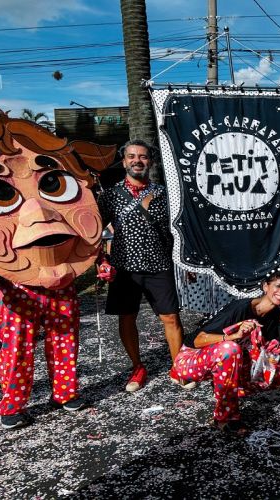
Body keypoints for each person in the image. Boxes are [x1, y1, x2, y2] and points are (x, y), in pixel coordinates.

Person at [0, 116, 116, 429]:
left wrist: (101, 262)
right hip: (16, 291)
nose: (39, 212)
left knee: (66, 342)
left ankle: (66, 392)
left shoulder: (74, 204)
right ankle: (13, 404)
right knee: (16, 351)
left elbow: (87, 236)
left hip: (63, 289)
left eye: (53, 183)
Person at [97, 139, 187, 392]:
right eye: (132, 156)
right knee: (127, 317)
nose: (137, 160)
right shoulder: (111, 196)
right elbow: (94, 229)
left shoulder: (163, 193)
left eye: (143, 156)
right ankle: (137, 367)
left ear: (151, 161)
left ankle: (179, 366)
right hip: (124, 267)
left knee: (170, 317)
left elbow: (179, 230)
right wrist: (100, 259)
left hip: (160, 264)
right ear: (124, 161)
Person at [171, 271, 280, 435]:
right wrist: (233, 336)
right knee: (230, 348)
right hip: (189, 360)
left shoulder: (273, 314)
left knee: (279, 372)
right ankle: (226, 417)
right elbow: (197, 340)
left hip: (226, 361)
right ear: (266, 286)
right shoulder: (241, 307)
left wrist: (270, 350)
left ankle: (225, 388)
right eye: (278, 286)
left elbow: (262, 354)